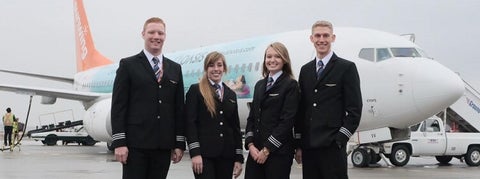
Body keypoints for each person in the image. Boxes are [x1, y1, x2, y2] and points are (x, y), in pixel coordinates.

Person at [110, 17, 186, 179]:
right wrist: (119, 142)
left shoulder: (175, 69)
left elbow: (179, 109)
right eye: (151, 32)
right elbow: (118, 106)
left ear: (165, 36)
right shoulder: (128, 65)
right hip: (135, 145)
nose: (156, 36)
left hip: (163, 146)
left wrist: (179, 144)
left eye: (160, 33)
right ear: (143, 34)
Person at [294, 20, 363, 179]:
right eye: (317, 36)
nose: (322, 39)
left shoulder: (346, 68)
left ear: (333, 38)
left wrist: (340, 139)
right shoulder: (306, 71)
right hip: (310, 148)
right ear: (311, 39)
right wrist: (298, 143)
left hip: (332, 147)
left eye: (326, 35)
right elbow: (301, 110)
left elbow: (354, 109)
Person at [244, 42, 300, 179]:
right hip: (255, 152)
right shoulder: (259, 85)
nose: (272, 60)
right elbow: (252, 118)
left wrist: (267, 149)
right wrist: (250, 145)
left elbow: (287, 122)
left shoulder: (290, 85)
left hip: (277, 153)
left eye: (277, 56)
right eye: (269, 56)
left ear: (284, 60)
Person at [185, 51, 244, 179]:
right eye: (211, 65)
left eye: (219, 65)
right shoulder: (196, 90)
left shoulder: (230, 94)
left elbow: (235, 128)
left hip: (226, 156)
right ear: (206, 68)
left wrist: (239, 157)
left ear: (224, 68)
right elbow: (190, 123)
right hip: (204, 156)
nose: (216, 69)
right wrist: (195, 153)